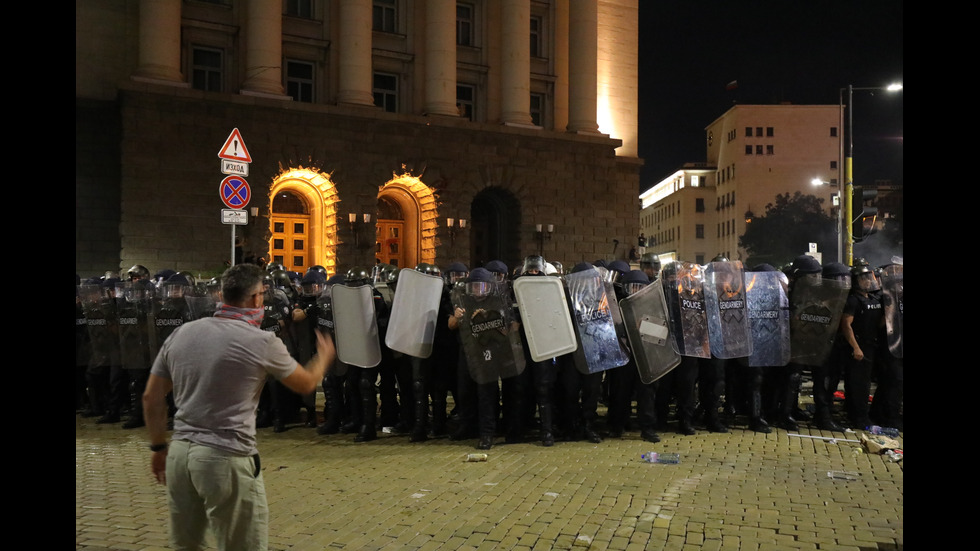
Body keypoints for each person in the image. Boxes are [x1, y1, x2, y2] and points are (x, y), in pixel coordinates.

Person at [142, 263, 335, 551]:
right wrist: (324, 357)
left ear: (222, 295)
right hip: (225, 457)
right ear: (256, 298)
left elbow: (151, 397)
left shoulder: (183, 334)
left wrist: (158, 447)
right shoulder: (260, 341)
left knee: (186, 544)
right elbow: (305, 384)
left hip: (180, 456)